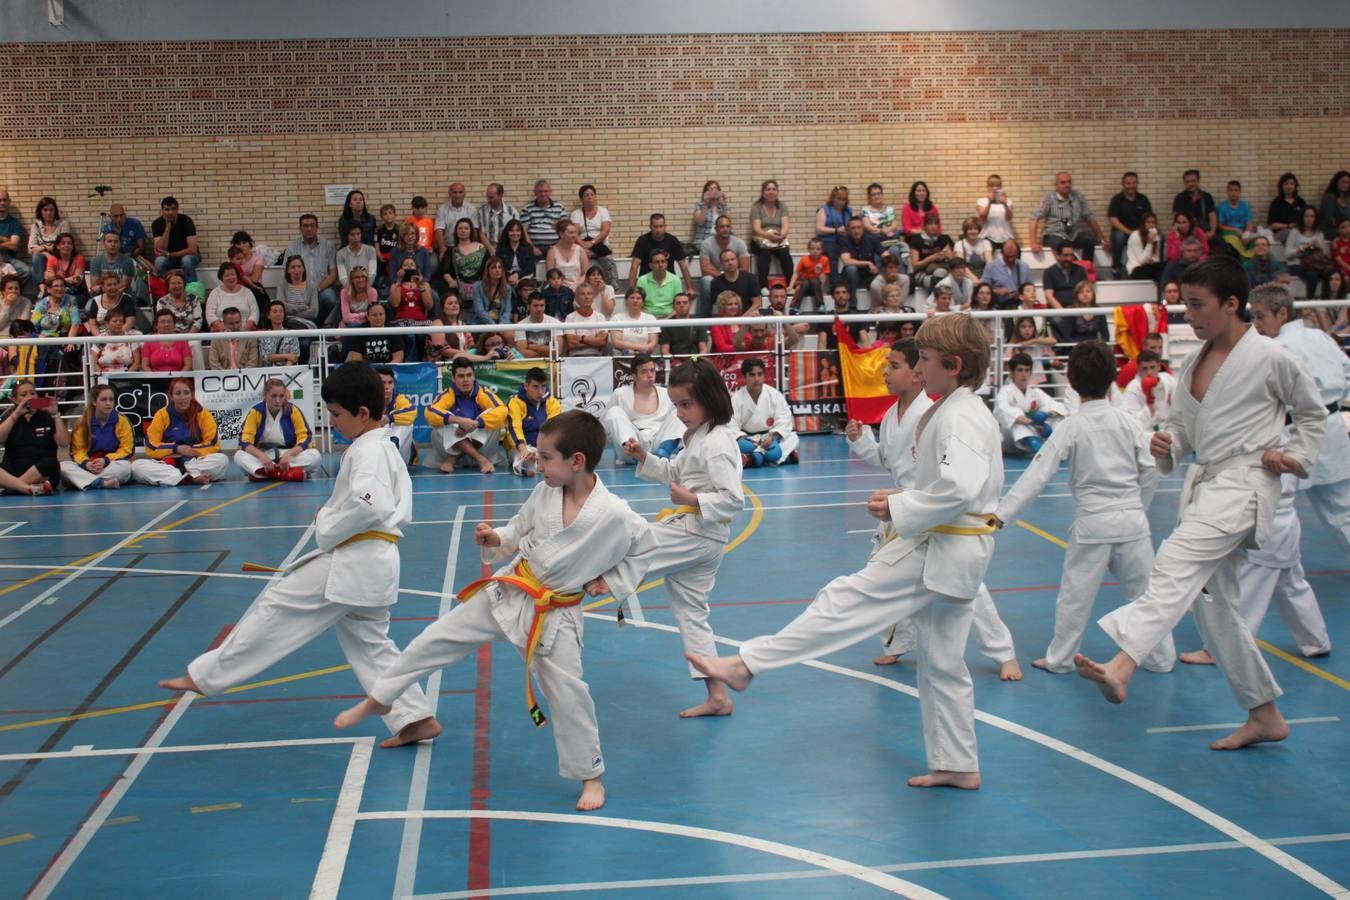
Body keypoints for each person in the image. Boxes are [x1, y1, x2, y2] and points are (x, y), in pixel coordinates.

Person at [689, 314, 1005, 790]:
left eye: (924, 358)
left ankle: (746, 664)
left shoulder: (959, 414)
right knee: (942, 661)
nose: (919, 367)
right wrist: (903, 502)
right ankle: (958, 763)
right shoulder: (960, 407)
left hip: (944, 545)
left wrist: (900, 505)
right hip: (956, 546)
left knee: (843, 600)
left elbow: (958, 488)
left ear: (954, 365)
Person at [335, 409, 658, 811]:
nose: (536, 464)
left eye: (544, 457)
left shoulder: (616, 515)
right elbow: (518, 528)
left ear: (576, 461)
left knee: (569, 695)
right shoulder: (545, 492)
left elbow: (645, 549)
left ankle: (591, 775)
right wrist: (496, 536)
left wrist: (611, 582)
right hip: (511, 590)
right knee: (434, 640)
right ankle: (383, 697)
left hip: (553, 615)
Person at [1073, 256, 1326, 751]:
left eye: (1198, 305)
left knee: (1176, 559)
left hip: (1248, 480)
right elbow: (1187, 429)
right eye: (1184, 303)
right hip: (1207, 484)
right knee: (1215, 607)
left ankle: (1123, 663)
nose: (1189, 315)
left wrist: (1293, 454)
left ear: (1232, 305)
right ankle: (1264, 712)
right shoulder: (1193, 362)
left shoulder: (1272, 358)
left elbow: (1313, 416)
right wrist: (1169, 443)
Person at [161, 362, 436, 744]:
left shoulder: (369, 450)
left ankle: (206, 675)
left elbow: (369, 505)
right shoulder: (384, 447)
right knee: (370, 643)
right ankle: (414, 717)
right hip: (377, 563)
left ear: (361, 413)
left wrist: (326, 522)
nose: (334, 422)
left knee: (277, 604)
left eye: (337, 415)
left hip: (353, 562)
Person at [997, 341, 1177, 673]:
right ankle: (1161, 658)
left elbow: (1037, 475)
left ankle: (1061, 659)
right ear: (1112, 378)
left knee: (1074, 599)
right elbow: (1151, 467)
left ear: (1073, 382)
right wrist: (1138, 505)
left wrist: (1001, 515)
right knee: (1146, 596)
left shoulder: (1072, 426)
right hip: (1132, 523)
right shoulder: (1127, 423)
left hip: (1093, 524)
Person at [847, 339, 1021, 676]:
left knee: (968, 589)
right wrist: (861, 441)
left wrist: (907, 500)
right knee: (884, 575)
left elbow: (949, 480)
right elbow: (886, 459)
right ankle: (897, 643)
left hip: (933, 514)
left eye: (894, 365)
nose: (885, 371)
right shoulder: (891, 417)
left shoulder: (939, 415)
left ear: (917, 374)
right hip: (901, 511)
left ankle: (1003, 653)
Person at [624, 358, 744, 718]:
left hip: (697, 532)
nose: (679, 412)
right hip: (703, 537)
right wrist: (645, 456)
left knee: (633, 545)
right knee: (692, 615)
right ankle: (718, 696)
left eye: (686, 404)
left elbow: (733, 499)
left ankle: (581, 586)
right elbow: (676, 472)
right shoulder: (696, 437)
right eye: (675, 404)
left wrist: (693, 500)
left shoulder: (718, 443)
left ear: (710, 398)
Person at [1248, 284, 1350, 553]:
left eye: (1261, 316)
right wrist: (1335, 402)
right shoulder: (1320, 337)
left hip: (1294, 433)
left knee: (1274, 506)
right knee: (1342, 509)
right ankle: (1278, 569)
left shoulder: (1274, 348)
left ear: (1282, 313)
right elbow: (1347, 371)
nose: (1256, 324)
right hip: (1332, 425)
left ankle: (1270, 564)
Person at [131, 377, 230, 485]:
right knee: (137, 466)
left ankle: (179, 475)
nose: (183, 397)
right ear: (171, 396)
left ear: (192, 394)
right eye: (178, 393)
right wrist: (176, 448)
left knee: (222, 460)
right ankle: (188, 476)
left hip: (196, 460)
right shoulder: (162, 415)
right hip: (169, 462)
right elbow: (150, 446)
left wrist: (190, 451)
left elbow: (213, 444)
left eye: (186, 393)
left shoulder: (203, 413)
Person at [425, 357, 507, 474]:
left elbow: (502, 410)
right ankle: (481, 460)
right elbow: (429, 411)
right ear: (453, 378)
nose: (466, 380)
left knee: (493, 416)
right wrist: (458, 420)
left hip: (480, 448)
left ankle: (453, 458)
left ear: (474, 376)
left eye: (469, 375)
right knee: (444, 418)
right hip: (451, 448)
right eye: (461, 376)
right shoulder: (447, 394)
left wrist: (476, 423)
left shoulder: (483, 393)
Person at [234, 378, 321, 481]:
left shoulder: (293, 411)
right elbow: (244, 440)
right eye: (273, 396)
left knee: (315, 456)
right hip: (264, 455)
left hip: (288, 455)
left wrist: (289, 454)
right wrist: (261, 455)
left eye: (281, 396)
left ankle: (261, 473)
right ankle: (287, 474)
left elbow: (305, 437)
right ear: (265, 396)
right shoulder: (256, 412)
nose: (278, 400)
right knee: (239, 456)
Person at [601, 353, 681, 461]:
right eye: (644, 371)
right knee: (613, 412)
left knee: (679, 410)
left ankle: (664, 451)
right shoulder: (620, 394)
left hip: (658, 443)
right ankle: (633, 451)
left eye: (652, 370)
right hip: (633, 443)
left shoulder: (666, 393)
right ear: (634, 376)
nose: (650, 375)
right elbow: (603, 427)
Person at [60, 383, 133, 491]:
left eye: (111, 399)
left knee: (125, 468)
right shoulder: (82, 422)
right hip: (88, 467)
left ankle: (82, 481)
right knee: (63, 467)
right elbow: (77, 451)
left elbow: (127, 450)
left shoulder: (122, 421)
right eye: (103, 399)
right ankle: (100, 483)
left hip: (110, 465)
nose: (108, 403)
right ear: (94, 401)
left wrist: (105, 460)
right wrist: (87, 463)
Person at [0, 380, 66, 495]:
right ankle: (28, 488)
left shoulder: (47, 416)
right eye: (24, 395)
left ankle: (11, 487)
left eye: (32, 393)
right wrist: (16, 414)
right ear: (15, 400)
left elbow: (64, 442)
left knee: (51, 463)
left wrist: (55, 414)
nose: (29, 397)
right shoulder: (9, 417)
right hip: (13, 469)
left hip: (42, 470)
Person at [731, 358, 797, 467]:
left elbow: (784, 420)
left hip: (769, 438)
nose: (756, 379)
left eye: (759, 374)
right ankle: (782, 457)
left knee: (792, 438)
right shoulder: (736, 399)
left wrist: (773, 437)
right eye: (752, 375)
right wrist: (742, 439)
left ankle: (752, 458)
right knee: (735, 444)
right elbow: (731, 425)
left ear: (764, 375)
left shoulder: (774, 395)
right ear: (744, 377)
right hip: (748, 440)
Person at [995, 352, 1066, 453]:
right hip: (1010, 439)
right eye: (1020, 370)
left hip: (1034, 431)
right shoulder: (1005, 392)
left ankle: (1056, 450)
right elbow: (1004, 411)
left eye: (1027, 370)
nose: (1024, 374)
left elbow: (1056, 406)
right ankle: (1040, 451)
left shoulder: (1035, 392)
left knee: (1057, 421)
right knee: (1017, 425)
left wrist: (1046, 415)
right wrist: (1033, 422)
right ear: (1012, 372)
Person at [1030, 171, 1107, 256]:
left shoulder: (1078, 196)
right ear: (1056, 185)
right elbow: (1034, 218)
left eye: (1069, 182)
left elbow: (1090, 217)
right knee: (1064, 248)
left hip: (1074, 234)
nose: (1067, 185)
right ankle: (1076, 267)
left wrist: (1102, 239)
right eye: (1063, 182)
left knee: (1089, 240)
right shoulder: (1048, 198)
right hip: (1054, 234)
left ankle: (1087, 267)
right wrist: (1033, 242)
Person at [503, 367, 563, 476]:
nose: (540, 392)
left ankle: (540, 462)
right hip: (520, 447)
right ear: (526, 386)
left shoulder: (553, 403)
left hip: (543, 447)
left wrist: (542, 452)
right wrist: (523, 449)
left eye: (543, 387)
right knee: (524, 460)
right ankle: (532, 466)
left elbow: (552, 430)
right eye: (535, 387)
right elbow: (514, 428)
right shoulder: (515, 402)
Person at [286, 214, 340, 327]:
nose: (309, 229)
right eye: (305, 226)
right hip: (300, 292)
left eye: (312, 225)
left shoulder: (328, 246)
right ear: (300, 228)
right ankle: (308, 325)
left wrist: (315, 290)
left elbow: (333, 274)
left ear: (317, 227)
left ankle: (313, 324)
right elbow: (287, 273)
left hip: (321, 291)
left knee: (330, 297)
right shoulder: (292, 247)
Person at [627, 214, 693, 294]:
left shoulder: (672, 241)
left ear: (665, 226)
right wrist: (631, 291)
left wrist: (690, 288)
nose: (658, 230)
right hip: (647, 283)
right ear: (650, 227)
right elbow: (634, 267)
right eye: (655, 227)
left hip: (669, 283)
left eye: (661, 226)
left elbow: (684, 266)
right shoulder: (642, 241)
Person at [698, 215, 750, 313]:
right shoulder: (707, 243)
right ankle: (704, 325)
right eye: (722, 226)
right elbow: (705, 268)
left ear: (731, 228)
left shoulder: (740, 243)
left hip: (735, 278)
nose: (725, 229)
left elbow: (745, 267)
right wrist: (723, 276)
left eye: (727, 226)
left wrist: (732, 276)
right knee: (705, 281)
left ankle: (744, 320)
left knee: (749, 279)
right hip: (716, 279)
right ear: (716, 229)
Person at [30, 276, 81, 376]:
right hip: (45, 340)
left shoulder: (71, 300)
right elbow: (32, 327)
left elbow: (76, 322)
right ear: (48, 289)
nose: (60, 288)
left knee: (67, 354)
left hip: (66, 339)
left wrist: (70, 342)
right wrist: (40, 337)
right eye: (56, 286)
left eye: (62, 286)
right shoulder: (42, 304)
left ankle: (60, 386)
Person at [1107, 172, 1153, 275]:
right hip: (1123, 232)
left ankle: (1148, 264)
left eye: (1134, 183)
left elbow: (1149, 219)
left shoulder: (1143, 199)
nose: (1131, 186)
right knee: (1118, 237)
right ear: (1123, 184)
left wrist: (1142, 232)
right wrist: (1130, 233)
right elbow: (1113, 221)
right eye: (1128, 183)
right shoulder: (1117, 200)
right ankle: (1116, 266)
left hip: (1140, 232)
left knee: (1156, 235)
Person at [748, 179, 793, 283]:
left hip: (778, 239)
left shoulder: (782, 206)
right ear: (763, 192)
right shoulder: (756, 207)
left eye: (774, 189)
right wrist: (769, 236)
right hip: (761, 240)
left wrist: (781, 236)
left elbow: (785, 226)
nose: (771, 192)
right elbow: (756, 229)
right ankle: (763, 286)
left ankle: (790, 285)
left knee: (785, 253)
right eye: (768, 189)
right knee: (764, 253)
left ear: (777, 192)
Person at [1118, 348, 1174, 431]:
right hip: (1146, 433)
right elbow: (1130, 423)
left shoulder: (1168, 379)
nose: (1149, 372)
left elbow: (1179, 406)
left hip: (1168, 429)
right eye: (1145, 368)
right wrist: (1149, 405)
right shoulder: (1133, 389)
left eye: (1152, 367)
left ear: (1159, 366)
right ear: (1138, 369)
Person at [151, 196, 200, 283]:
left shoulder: (186, 221)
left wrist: (170, 254)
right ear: (162, 211)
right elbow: (160, 250)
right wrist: (168, 227)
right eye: (167, 209)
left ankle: (192, 292)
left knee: (187, 260)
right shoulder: (157, 224)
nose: (170, 212)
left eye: (173, 209)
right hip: (168, 258)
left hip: (188, 256)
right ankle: (164, 292)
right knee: (159, 261)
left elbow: (193, 250)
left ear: (177, 210)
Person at [1285, 206, 1331, 298]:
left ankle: (1327, 299)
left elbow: (1325, 254)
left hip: (1315, 263)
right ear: (1302, 218)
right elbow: (1287, 254)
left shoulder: (1319, 233)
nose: (1309, 219)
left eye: (1312, 216)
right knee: (1312, 275)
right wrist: (1305, 247)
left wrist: (1319, 246)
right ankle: (1310, 302)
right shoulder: (1295, 232)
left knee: (1330, 272)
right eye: (1306, 216)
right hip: (1297, 264)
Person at [838, 215, 883, 303]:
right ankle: (852, 305)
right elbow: (847, 261)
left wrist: (880, 267)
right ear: (848, 230)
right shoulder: (843, 240)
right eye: (853, 228)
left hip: (868, 275)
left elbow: (885, 255)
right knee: (851, 269)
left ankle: (880, 307)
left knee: (882, 276)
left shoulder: (871, 239)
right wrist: (868, 263)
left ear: (863, 228)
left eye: (859, 227)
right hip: (850, 277)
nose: (856, 231)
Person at [520, 179, 567, 260]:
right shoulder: (527, 208)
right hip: (534, 247)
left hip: (555, 246)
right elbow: (524, 232)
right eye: (540, 191)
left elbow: (565, 230)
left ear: (550, 192)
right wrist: (532, 248)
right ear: (535, 193)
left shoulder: (559, 207)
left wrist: (557, 247)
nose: (543, 194)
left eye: (546, 191)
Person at [205, 263, 259, 331]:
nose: (231, 277)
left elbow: (255, 313)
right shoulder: (215, 293)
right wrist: (223, 330)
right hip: (221, 334)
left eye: (233, 275)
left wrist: (244, 330)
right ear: (221, 277)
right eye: (227, 275)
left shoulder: (247, 292)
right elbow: (210, 314)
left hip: (245, 333)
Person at [907, 212, 954, 291]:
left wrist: (945, 256)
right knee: (939, 281)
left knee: (940, 272)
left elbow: (953, 260)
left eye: (935, 224)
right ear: (924, 225)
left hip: (941, 270)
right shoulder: (916, 240)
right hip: (922, 273)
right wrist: (932, 258)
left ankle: (934, 301)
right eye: (930, 224)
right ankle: (936, 301)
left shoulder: (943, 239)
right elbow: (915, 266)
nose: (933, 227)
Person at [608, 286, 659, 355]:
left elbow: (652, 345)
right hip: (622, 358)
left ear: (643, 302)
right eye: (632, 298)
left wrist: (639, 351)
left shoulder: (650, 318)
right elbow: (616, 343)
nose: (635, 300)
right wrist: (641, 348)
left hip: (644, 359)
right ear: (626, 301)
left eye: (638, 298)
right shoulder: (617, 318)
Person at [637, 249, 686, 318]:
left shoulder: (675, 279)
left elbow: (678, 304)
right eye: (657, 262)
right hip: (648, 320)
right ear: (650, 265)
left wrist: (666, 320)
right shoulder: (642, 280)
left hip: (671, 318)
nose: (660, 265)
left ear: (666, 264)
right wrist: (652, 320)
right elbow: (638, 305)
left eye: (663, 262)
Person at [563, 283, 608, 357]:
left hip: (597, 358)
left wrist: (582, 338)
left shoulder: (600, 317)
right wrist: (594, 340)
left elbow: (602, 342)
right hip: (575, 359)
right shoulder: (570, 317)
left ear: (593, 298)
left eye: (589, 294)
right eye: (582, 294)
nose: (586, 297)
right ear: (576, 298)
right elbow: (571, 343)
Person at [980, 239, 1032, 304]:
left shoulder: (1024, 267)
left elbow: (1031, 288)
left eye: (1013, 256)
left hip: (1019, 306)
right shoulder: (991, 266)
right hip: (998, 307)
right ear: (1002, 253)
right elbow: (982, 288)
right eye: (1007, 257)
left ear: (1017, 253)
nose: (1010, 259)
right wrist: (997, 291)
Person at [0, 189, 31, 295]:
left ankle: (14, 295)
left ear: (9, 201)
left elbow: (14, 246)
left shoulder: (15, 223)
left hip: (9, 258)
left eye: (5, 200)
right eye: (0, 200)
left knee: (26, 271)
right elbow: (11, 242)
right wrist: (6, 239)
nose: (2, 203)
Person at [659, 292, 709, 358]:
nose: (682, 305)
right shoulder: (667, 326)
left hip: (694, 362)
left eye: (685, 302)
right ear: (673, 306)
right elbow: (664, 351)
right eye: (678, 303)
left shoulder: (698, 324)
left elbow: (704, 350)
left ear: (690, 305)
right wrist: (675, 362)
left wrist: (694, 361)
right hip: (675, 363)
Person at [90, 308, 141, 374]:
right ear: (107, 323)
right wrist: (102, 375)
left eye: (120, 321)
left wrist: (126, 375)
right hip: (104, 376)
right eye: (115, 321)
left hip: (126, 375)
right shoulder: (100, 339)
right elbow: (93, 362)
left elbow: (137, 362)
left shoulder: (130, 338)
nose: (118, 323)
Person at [814, 186, 853, 270]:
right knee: (832, 251)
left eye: (844, 200)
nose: (841, 202)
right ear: (833, 198)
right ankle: (834, 280)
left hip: (844, 239)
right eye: (839, 199)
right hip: (828, 240)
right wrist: (836, 230)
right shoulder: (824, 209)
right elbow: (819, 229)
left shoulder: (849, 210)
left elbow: (854, 225)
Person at [788, 237, 831, 312]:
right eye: (812, 248)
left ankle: (820, 306)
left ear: (822, 250)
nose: (815, 251)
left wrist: (823, 291)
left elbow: (824, 277)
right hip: (805, 287)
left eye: (818, 249)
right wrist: (791, 286)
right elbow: (796, 273)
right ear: (808, 249)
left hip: (816, 287)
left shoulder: (825, 260)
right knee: (805, 283)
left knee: (815, 281)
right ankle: (794, 307)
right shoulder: (804, 259)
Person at [433, 182, 477, 255]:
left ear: (464, 194)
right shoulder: (442, 209)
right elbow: (439, 230)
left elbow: (475, 230)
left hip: (467, 247)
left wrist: (472, 247)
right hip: (448, 247)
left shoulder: (471, 209)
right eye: (455, 192)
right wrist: (442, 248)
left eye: (460, 192)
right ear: (449, 194)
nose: (458, 195)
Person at [156, 270, 205, 334]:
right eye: (173, 283)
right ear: (168, 286)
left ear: (184, 285)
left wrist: (188, 337)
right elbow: (162, 323)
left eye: (179, 283)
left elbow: (198, 321)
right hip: (169, 335)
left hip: (191, 335)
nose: (177, 286)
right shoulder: (162, 302)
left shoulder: (194, 299)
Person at [515, 293, 562, 359]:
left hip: (550, 364)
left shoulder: (555, 323)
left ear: (545, 306)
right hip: (530, 364)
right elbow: (523, 353)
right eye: (535, 305)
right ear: (528, 306)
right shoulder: (520, 325)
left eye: (542, 305)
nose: (539, 309)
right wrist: (547, 352)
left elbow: (557, 352)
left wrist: (533, 347)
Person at [476, 183, 519, 255]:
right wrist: (491, 249)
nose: (488, 200)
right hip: (488, 250)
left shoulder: (511, 211)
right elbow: (481, 233)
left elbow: (517, 232)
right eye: (487, 197)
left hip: (508, 250)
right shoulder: (482, 211)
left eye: (491, 197)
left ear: (500, 195)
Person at [1216, 180, 1255, 256]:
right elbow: (1220, 226)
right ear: (1227, 191)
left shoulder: (1245, 206)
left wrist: (1246, 234)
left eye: (1236, 190)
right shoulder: (1222, 207)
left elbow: (1249, 223)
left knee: (1255, 242)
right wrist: (1235, 230)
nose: (1233, 193)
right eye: (1231, 190)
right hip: (1227, 234)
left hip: (1242, 233)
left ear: (1240, 192)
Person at [255, 300, 300, 366]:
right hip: (269, 373)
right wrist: (287, 356)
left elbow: (294, 357)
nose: (278, 314)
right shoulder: (264, 335)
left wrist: (285, 371)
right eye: (275, 312)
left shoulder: (291, 334)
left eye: (281, 311)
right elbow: (266, 357)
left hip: (288, 371)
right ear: (268, 316)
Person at [975, 174, 1015, 246]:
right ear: (987, 187)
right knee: (987, 248)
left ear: (1001, 187)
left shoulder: (1007, 200)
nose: (995, 188)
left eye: (997, 185)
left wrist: (1005, 204)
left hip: (1006, 236)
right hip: (987, 236)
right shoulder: (981, 201)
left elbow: (1009, 218)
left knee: (1012, 249)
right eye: (992, 185)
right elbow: (982, 218)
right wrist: (990, 202)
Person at [336, 223, 378, 290]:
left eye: (358, 234)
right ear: (347, 236)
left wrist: (363, 288)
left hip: (366, 288)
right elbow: (342, 277)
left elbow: (372, 274)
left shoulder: (370, 250)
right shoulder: (340, 254)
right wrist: (353, 290)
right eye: (352, 234)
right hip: (348, 289)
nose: (356, 237)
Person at [1267, 173, 1308, 239]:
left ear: (1295, 186)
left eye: (1291, 184)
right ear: (1282, 186)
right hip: (1281, 234)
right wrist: (1288, 226)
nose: (1289, 186)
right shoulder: (1276, 203)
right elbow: (1271, 226)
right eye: (1286, 184)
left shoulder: (1301, 202)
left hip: (1299, 232)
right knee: (1289, 233)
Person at [1125, 213, 1164, 281]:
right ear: (1143, 223)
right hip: (1136, 268)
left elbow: (1157, 258)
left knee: (1164, 267)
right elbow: (1141, 261)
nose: (1151, 225)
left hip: (1150, 266)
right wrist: (1150, 243)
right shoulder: (1135, 236)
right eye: (1148, 222)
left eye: (1153, 222)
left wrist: (1153, 260)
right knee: (1149, 270)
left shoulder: (1157, 236)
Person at [1318, 170, 1350, 239]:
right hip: (1332, 233)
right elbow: (1329, 220)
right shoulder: (1330, 198)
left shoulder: (1348, 200)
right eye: (1343, 182)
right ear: (1336, 183)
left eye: (1348, 182)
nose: (1346, 185)